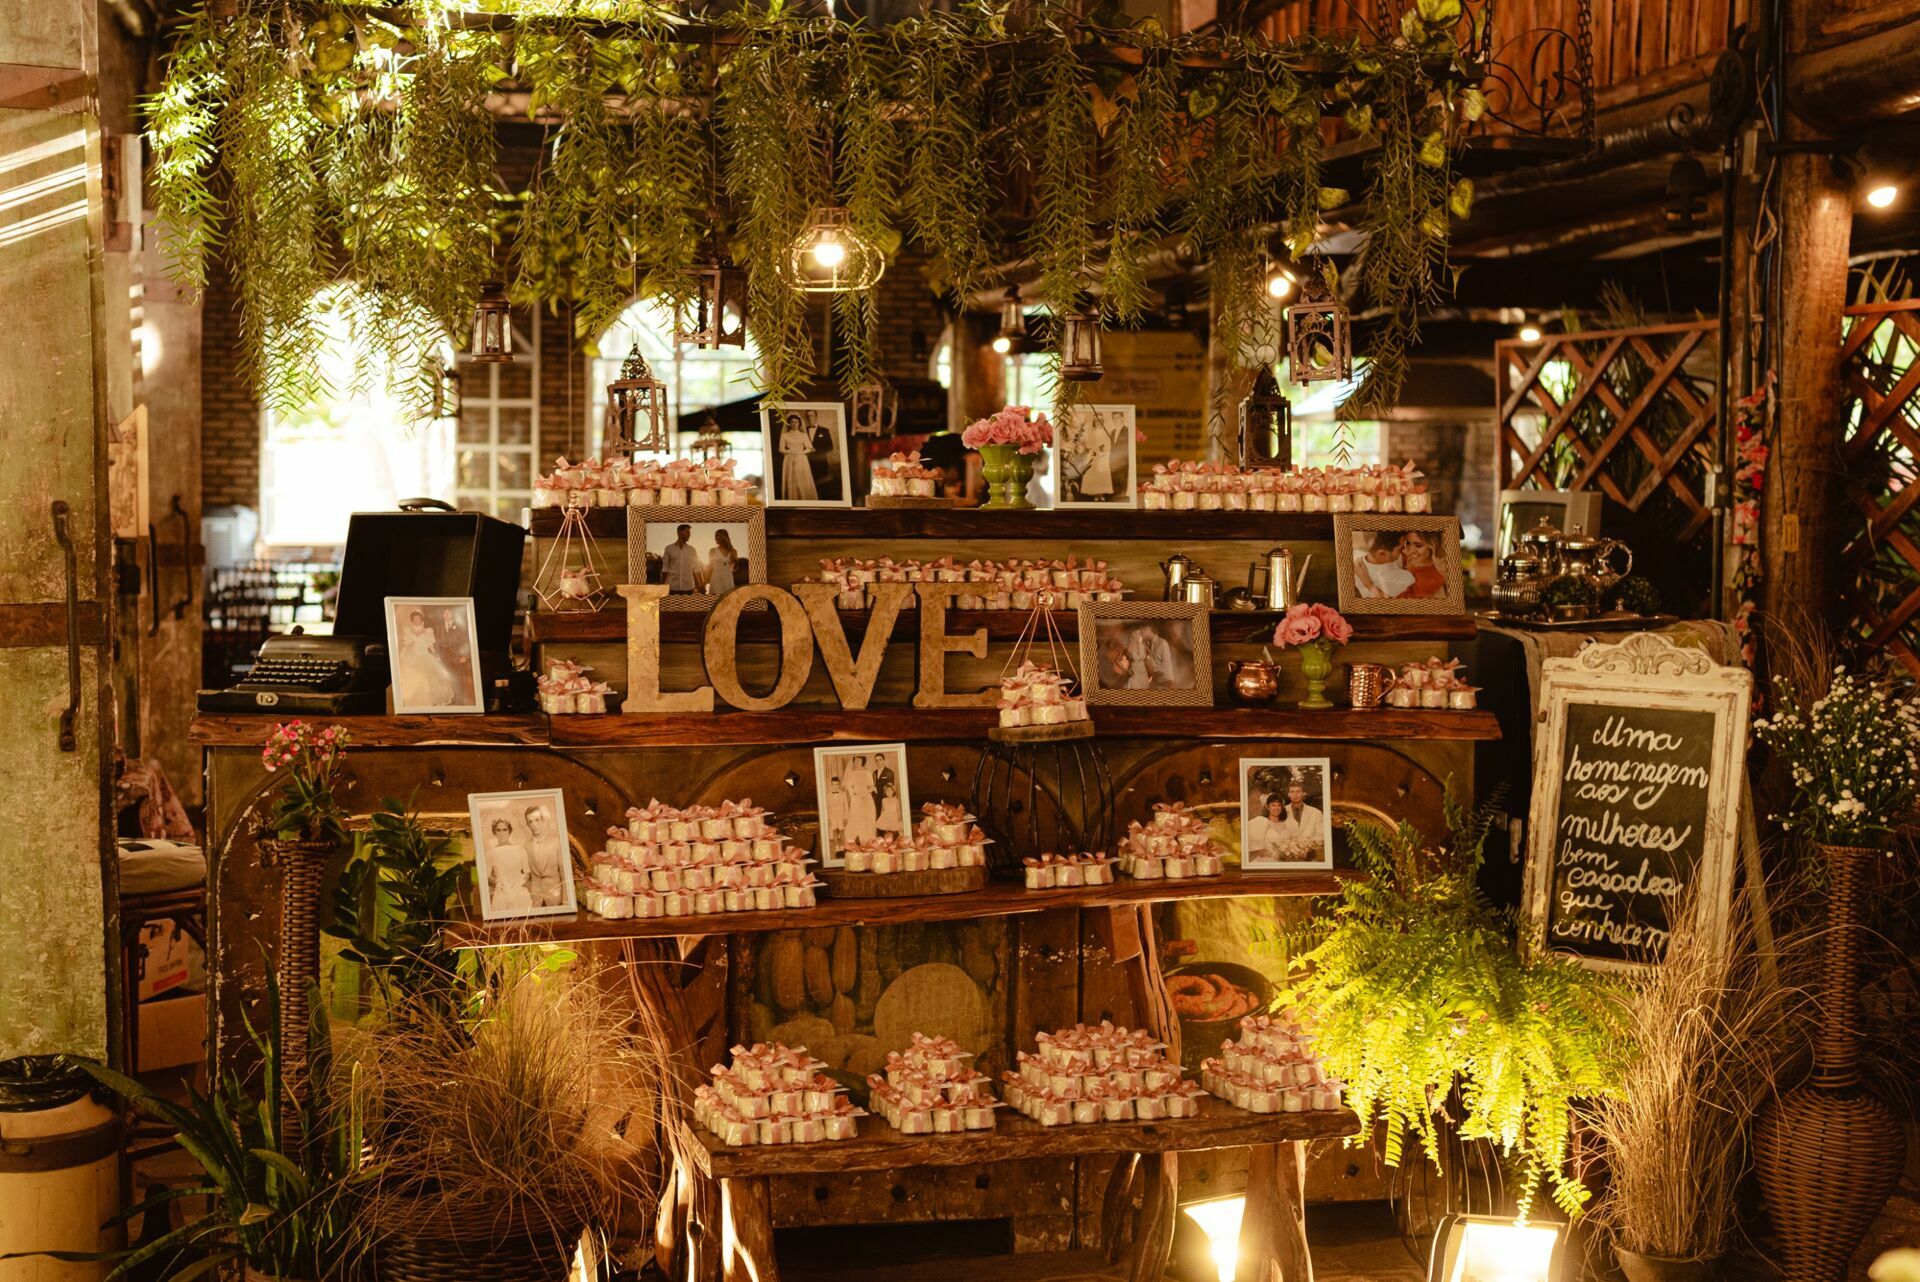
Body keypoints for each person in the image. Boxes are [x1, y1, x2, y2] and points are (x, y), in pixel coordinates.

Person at [395, 607, 460, 706]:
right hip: (414, 657)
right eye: (415, 619)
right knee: (415, 678)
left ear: (421, 620)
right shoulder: (408, 631)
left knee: (430, 678)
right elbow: (407, 646)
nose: (417, 620)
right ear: (412, 620)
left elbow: (431, 646)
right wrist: (407, 650)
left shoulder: (428, 631)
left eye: (418, 618)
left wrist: (435, 655)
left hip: (425, 656)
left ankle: (429, 703)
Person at [483, 816, 533, 915]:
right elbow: (488, 877)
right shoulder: (490, 853)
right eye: (498, 830)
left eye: (505, 830)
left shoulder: (519, 849)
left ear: (509, 831)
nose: (502, 833)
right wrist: (498, 884)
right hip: (501, 893)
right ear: (494, 832)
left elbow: (527, 873)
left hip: (519, 892)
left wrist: (516, 886)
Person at [523, 803, 567, 908]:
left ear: (543, 821)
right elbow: (527, 876)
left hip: (555, 897)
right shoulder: (526, 846)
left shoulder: (557, 843)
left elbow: (564, 875)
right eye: (530, 822)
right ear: (527, 824)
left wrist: (566, 901)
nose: (534, 824)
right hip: (535, 898)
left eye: (537, 820)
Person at [1354, 532, 1415, 599]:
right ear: (1382, 554)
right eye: (1400, 549)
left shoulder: (1356, 558)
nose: (1404, 551)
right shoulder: (1407, 579)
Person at [1073, 410, 1117, 500]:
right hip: (1093, 456)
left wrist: (1104, 448)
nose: (1098, 422)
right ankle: (1095, 494)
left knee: (1102, 475)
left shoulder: (1106, 432)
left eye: (1100, 420)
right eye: (1096, 420)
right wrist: (1092, 448)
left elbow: (1108, 444)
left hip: (1102, 457)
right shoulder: (1090, 432)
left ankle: (1101, 494)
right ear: (1094, 422)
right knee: (1093, 474)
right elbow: (1087, 444)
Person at [779, 412, 818, 502]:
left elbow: (809, 448)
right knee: (791, 479)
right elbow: (781, 449)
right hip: (789, 459)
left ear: (799, 423)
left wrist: (801, 452)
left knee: (803, 479)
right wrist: (790, 452)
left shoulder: (803, 435)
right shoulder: (784, 435)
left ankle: (804, 499)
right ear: (789, 423)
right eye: (792, 422)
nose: (794, 424)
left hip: (801, 459)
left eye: (796, 422)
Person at [1123, 624, 1175, 689]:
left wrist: (1153, 671)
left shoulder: (1162, 643)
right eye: (1137, 633)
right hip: (1137, 673)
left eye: (1140, 631)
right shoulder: (1144, 644)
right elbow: (1128, 661)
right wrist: (1128, 671)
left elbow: (1166, 666)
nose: (1140, 634)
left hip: (1162, 680)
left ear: (1148, 628)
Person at [1399, 530, 1447, 599]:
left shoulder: (1432, 578)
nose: (1411, 550)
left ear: (1432, 547)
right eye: (1408, 543)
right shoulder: (1402, 553)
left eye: (1418, 545)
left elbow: (1404, 601)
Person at [841, 755, 877, 845]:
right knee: (856, 818)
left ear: (862, 761)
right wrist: (853, 795)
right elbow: (849, 787)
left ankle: (868, 841)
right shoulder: (851, 774)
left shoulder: (867, 773)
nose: (857, 762)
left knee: (867, 818)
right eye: (856, 760)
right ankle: (855, 840)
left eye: (859, 760)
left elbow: (871, 786)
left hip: (866, 798)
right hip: (856, 799)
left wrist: (866, 793)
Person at [661, 523, 703, 593]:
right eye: (687, 532)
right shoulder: (668, 548)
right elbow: (665, 568)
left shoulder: (692, 550)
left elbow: (697, 568)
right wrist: (662, 585)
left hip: (689, 588)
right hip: (672, 588)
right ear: (679, 532)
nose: (689, 534)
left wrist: (702, 584)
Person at [707, 527, 740, 595]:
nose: (715, 538)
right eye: (715, 536)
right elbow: (709, 567)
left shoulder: (733, 551)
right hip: (715, 579)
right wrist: (704, 582)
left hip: (728, 579)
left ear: (723, 537)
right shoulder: (712, 551)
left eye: (717, 535)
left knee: (728, 600)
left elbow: (735, 568)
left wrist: (735, 560)